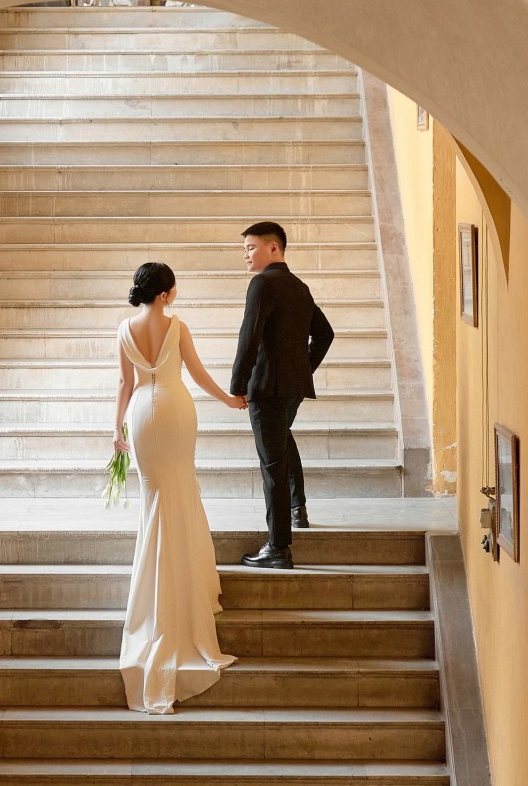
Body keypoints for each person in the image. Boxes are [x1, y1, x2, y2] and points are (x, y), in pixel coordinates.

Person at [113, 261, 244, 714]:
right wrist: (229, 399)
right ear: (165, 293)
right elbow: (198, 374)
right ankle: (184, 588)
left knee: (155, 501)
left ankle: (154, 591)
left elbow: (125, 384)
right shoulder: (177, 326)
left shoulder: (124, 329)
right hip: (175, 410)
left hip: (141, 416)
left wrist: (115, 429)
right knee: (181, 493)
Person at [230, 222, 335, 570]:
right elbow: (325, 334)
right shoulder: (299, 286)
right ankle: (297, 507)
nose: (245, 254)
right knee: (281, 444)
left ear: (273, 247)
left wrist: (238, 385)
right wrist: (302, 369)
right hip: (292, 389)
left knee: (272, 464)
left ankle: (278, 548)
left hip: (266, 389)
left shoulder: (262, 284)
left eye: (251, 247)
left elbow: (249, 337)